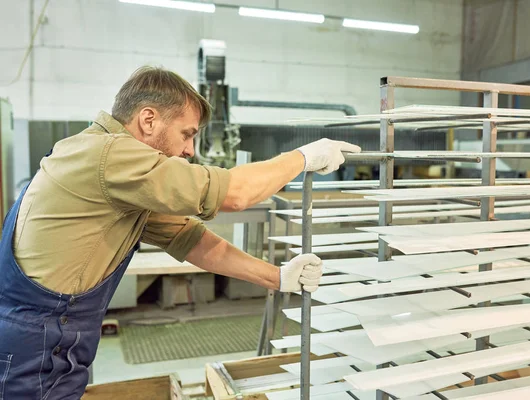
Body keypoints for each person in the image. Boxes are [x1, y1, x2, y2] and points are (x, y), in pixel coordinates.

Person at [0, 66, 361, 399]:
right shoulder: (110, 157)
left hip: (53, 344)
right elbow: (235, 194)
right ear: (148, 120)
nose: (189, 150)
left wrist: (278, 277)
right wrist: (303, 157)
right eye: (186, 135)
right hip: (38, 351)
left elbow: (190, 240)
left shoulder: (109, 170)